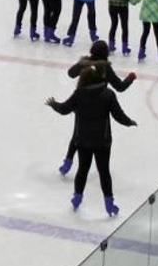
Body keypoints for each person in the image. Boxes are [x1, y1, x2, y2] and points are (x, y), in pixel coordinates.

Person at [46, 66, 138, 217]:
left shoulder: (79, 94)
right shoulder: (108, 94)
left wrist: (54, 104)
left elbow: (64, 109)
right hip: (102, 141)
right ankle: (109, 204)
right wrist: (129, 122)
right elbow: (118, 115)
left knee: (82, 169)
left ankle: (77, 197)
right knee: (104, 172)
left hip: (83, 140)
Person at [57, 40, 138, 175]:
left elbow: (70, 73)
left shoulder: (86, 63)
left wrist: (82, 64)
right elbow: (120, 87)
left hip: (82, 100)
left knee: (77, 132)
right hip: (100, 102)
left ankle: (68, 161)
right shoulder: (105, 67)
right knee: (98, 132)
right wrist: (130, 78)